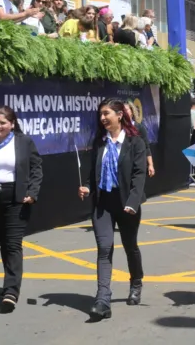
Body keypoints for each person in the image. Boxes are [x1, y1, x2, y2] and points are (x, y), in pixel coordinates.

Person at [78, 99, 147, 320]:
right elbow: (91, 173)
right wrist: (87, 187)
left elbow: (139, 176)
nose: (102, 118)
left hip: (126, 204)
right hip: (103, 204)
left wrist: (133, 202)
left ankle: (136, 281)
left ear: (119, 115)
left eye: (106, 113)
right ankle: (102, 299)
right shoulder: (99, 142)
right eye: (100, 115)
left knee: (130, 246)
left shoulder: (135, 142)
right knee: (104, 248)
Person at [0, 106, 42, 313]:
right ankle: (9, 282)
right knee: (3, 242)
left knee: (13, 244)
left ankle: (11, 292)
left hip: (16, 198)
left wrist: (33, 192)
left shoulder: (23, 142)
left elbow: (36, 167)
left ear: (12, 124)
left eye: (2, 123)